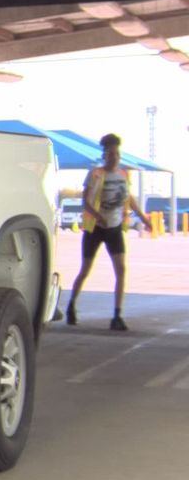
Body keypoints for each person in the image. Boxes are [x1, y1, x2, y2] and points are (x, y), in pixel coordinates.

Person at [65, 133, 151, 331]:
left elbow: (129, 199)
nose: (114, 158)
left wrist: (144, 218)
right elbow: (85, 201)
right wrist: (97, 216)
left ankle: (117, 315)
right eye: (111, 154)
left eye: (117, 154)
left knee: (121, 269)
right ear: (104, 155)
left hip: (114, 228)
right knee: (86, 269)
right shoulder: (95, 174)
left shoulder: (123, 175)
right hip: (95, 228)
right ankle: (71, 305)